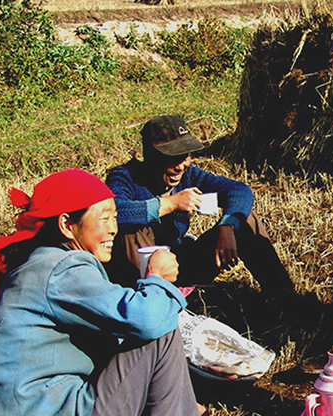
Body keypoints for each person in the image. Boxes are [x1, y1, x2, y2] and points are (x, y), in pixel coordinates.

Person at [0, 169, 226, 416]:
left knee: (137, 323)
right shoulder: (63, 271)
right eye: (103, 217)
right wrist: (158, 280)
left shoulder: (46, 263)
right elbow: (148, 321)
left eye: (115, 216)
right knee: (156, 325)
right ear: (66, 225)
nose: (113, 228)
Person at [105, 114, 294, 292]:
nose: (180, 166)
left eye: (185, 156)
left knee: (244, 219)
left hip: (179, 265)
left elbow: (238, 190)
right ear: (151, 156)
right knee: (132, 228)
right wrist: (169, 204)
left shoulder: (189, 176)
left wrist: (227, 226)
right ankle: (151, 303)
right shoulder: (124, 177)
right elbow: (116, 212)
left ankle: (284, 296)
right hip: (139, 278)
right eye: (171, 158)